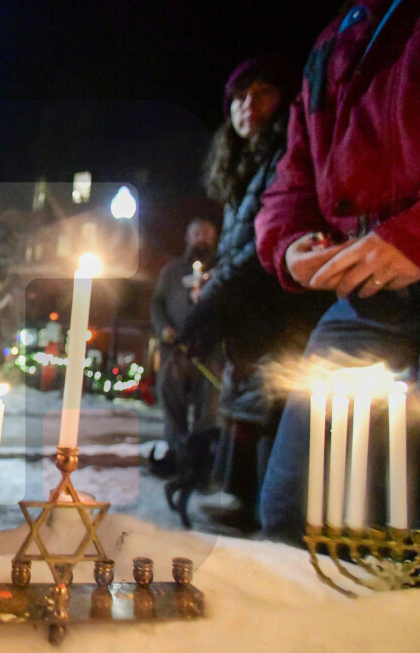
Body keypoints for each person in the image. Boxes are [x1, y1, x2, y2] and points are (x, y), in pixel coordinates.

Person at [255, 0, 420, 540]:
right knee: (296, 512)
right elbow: (294, 176)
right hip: (369, 290)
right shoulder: (337, 39)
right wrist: (292, 244)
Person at [172, 57, 332, 532]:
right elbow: (240, 245)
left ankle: (264, 514)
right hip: (255, 314)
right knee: (251, 403)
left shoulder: (286, 154)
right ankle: (245, 500)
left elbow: (262, 250)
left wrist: (211, 301)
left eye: (261, 93)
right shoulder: (247, 169)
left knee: (273, 404)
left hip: (284, 309)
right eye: (239, 97)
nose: (248, 105)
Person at [149, 218, 221, 483]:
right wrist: (164, 328)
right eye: (196, 232)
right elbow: (157, 303)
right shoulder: (171, 271)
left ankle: (201, 463)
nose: (201, 237)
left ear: (214, 238)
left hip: (209, 350)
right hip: (175, 350)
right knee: (172, 402)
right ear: (187, 237)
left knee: (209, 407)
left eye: (207, 233)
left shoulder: (223, 268)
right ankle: (178, 458)